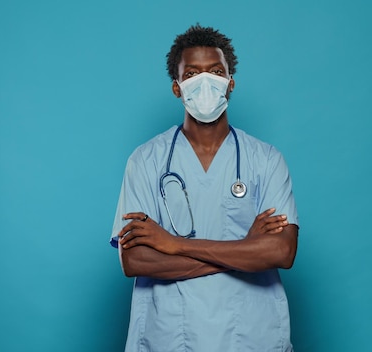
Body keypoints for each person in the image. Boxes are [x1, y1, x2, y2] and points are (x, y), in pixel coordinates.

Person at [110, 24, 299, 352]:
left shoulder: (266, 160)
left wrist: (173, 244)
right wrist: (246, 249)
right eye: (193, 74)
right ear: (177, 88)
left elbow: (281, 252)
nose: (205, 81)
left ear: (230, 83)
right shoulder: (146, 161)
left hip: (251, 335)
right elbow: (136, 261)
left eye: (215, 71)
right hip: (169, 336)